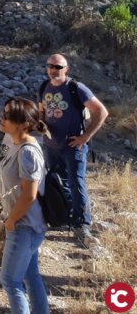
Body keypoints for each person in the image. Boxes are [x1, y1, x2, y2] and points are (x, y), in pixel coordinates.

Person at [38, 53, 107, 247]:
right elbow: (43, 110)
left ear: (66, 69)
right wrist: (40, 124)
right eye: (50, 66)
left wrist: (85, 137)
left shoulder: (76, 88)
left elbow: (101, 111)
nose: (53, 70)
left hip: (72, 147)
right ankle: (64, 218)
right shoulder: (44, 86)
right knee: (59, 183)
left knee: (77, 184)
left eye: (58, 67)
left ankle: (81, 224)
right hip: (52, 146)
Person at [0, 97, 50, 314]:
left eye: (7, 116)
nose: (1, 119)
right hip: (27, 224)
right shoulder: (16, 143)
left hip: (24, 225)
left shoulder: (27, 150)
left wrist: (11, 221)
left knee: (10, 281)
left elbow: (29, 195)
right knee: (31, 275)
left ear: (22, 123)